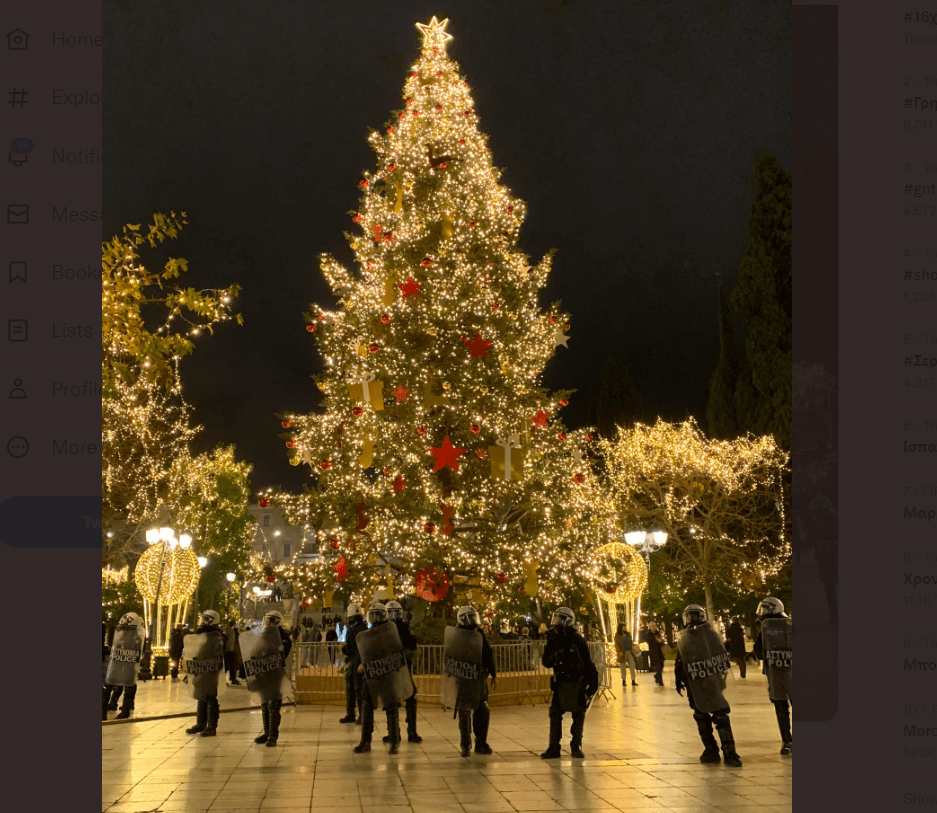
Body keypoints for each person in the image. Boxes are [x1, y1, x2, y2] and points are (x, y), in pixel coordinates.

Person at [674, 604, 742, 767]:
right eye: (690, 617)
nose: (692, 621)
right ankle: (717, 751)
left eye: (694, 616)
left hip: (705, 681)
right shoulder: (691, 637)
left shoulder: (704, 636)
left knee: (715, 716)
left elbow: (720, 658)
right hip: (699, 681)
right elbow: (681, 660)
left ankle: (723, 751)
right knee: (705, 717)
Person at [540, 607, 598, 760]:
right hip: (561, 681)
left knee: (578, 715)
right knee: (555, 714)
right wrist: (558, 655)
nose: (556, 622)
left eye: (559, 619)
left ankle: (576, 745)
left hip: (577, 682)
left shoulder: (577, 640)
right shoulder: (553, 638)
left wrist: (593, 684)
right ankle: (554, 747)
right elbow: (546, 661)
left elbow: (587, 662)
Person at [353, 602, 411, 754]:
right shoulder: (368, 633)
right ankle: (365, 742)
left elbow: (398, 650)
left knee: (391, 706)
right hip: (371, 674)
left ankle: (394, 740)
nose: (375, 618)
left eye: (378, 614)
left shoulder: (391, 631)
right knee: (366, 706)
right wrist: (361, 664)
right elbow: (364, 652)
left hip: (388, 674)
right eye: (373, 615)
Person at [448, 605, 496, 756]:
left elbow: (487, 653)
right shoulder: (456, 635)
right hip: (463, 677)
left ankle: (481, 743)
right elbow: (450, 655)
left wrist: (493, 673)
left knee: (482, 708)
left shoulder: (479, 633)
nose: (473, 620)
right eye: (470, 617)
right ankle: (465, 743)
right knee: (464, 709)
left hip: (479, 677)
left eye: (474, 616)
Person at [753, 597, 793, 755]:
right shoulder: (789, 625)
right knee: (782, 706)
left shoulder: (769, 629)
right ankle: (788, 739)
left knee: (781, 707)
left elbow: (758, 651)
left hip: (777, 673)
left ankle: (787, 740)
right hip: (784, 673)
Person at [247, 610, 292, 747]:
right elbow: (254, 650)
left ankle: (273, 736)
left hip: (275, 674)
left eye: (272, 620)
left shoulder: (283, 636)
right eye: (268, 620)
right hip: (263, 673)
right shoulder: (262, 634)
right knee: (264, 703)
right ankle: (266, 732)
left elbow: (282, 653)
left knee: (273, 705)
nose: (269, 623)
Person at [384, 600, 422, 743]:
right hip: (391, 669)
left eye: (396, 612)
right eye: (391, 612)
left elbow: (412, 645)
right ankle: (395, 732)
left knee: (410, 698)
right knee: (393, 701)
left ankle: (411, 732)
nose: (393, 615)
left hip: (403, 668)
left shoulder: (404, 629)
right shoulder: (383, 630)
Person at [184, 609, 226, 737]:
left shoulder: (217, 636)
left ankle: (211, 726)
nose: (203, 622)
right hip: (201, 669)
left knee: (209, 697)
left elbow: (217, 653)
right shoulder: (202, 635)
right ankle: (200, 724)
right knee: (200, 696)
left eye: (206, 619)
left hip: (210, 670)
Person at [103, 612, 146, 720]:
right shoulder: (124, 634)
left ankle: (123, 708)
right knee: (110, 686)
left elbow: (139, 651)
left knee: (121, 686)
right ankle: (111, 707)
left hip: (126, 663)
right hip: (120, 663)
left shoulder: (136, 637)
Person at [809, 494, 838, 624]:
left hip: (825, 556)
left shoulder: (815, 518)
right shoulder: (834, 516)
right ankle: (834, 613)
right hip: (833, 554)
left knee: (829, 586)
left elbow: (813, 538)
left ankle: (834, 613)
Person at [339, 603, 367, 724]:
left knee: (358, 689)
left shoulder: (360, 628)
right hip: (353, 660)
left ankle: (361, 715)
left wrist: (345, 649)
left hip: (358, 661)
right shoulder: (356, 627)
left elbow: (357, 646)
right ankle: (351, 714)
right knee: (351, 690)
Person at [640, 621, 666, 686]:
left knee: (662, 664)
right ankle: (660, 681)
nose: (654, 627)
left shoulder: (658, 633)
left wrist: (660, 641)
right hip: (653, 652)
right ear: (650, 627)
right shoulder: (648, 634)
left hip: (659, 651)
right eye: (653, 626)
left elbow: (661, 641)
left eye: (655, 626)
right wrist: (657, 641)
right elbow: (650, 642)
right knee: (658, 667)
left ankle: (657, 675)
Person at [223, 619, 241, 685]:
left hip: (228, 650)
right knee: (231, 665)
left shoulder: (226, 630)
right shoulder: (231, 631)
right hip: (230, 649)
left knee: (228, 666)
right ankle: (233, 679)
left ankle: (232, 678)